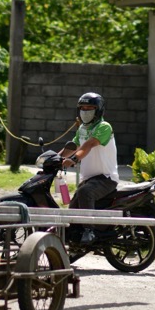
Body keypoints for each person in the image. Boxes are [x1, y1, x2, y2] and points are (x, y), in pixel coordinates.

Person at [61, 92, 119, 244]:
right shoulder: (82, 129)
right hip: (89, 179)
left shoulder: (104, 127)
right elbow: (73, 146)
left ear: (98, 110)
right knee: (72, 211)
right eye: (82, 108)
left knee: (85, 192)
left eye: (90, 108)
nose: (85, 111)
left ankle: (89, 230)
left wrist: (73, 159)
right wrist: (54, 158)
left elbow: (89, 145)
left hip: (106, 178)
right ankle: (73, 239)